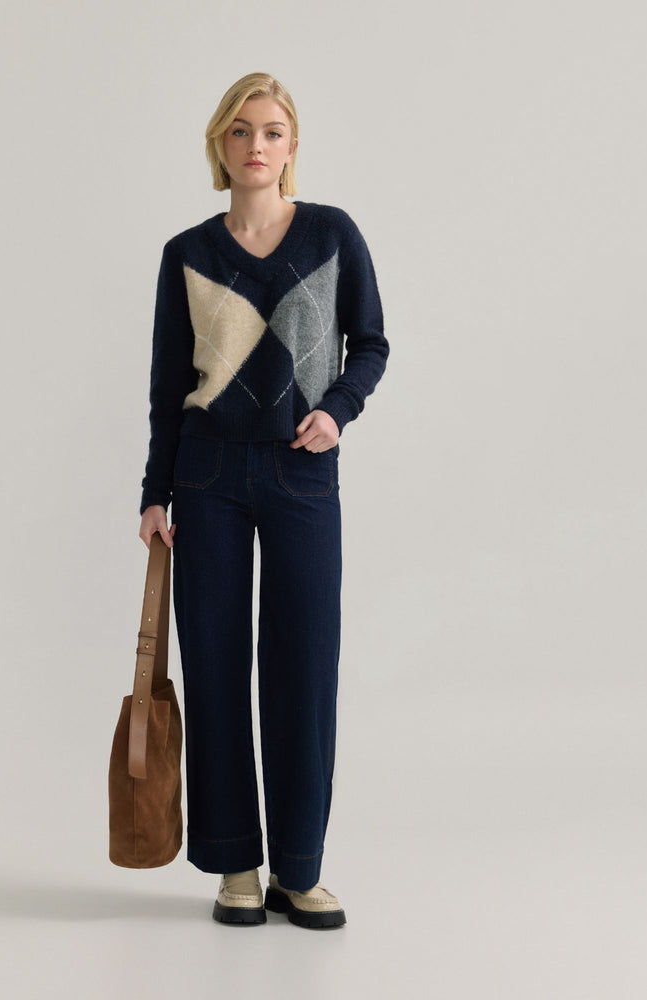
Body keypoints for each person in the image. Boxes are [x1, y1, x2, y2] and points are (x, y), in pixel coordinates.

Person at [138, 72, 389, 929]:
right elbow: (168, 385)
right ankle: (235, 865)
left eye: (272, 131)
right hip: (207, 477)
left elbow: (371, 343)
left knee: (304, 667)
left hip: (301, 474)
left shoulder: (330, 234)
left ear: (292, 146)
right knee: (212, 666)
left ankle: (299, 869)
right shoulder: (187, 253)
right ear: (220, 143)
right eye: (241, 130)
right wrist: (155, 493)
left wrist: (338, 409)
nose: (256, 145)